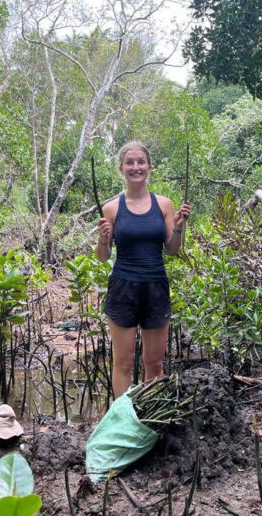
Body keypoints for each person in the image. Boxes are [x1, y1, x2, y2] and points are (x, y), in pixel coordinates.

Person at [96, 141, 191, 398]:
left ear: (149, 166)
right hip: (123, 288)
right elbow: (103, 257)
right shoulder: (111, 208)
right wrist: (104, 238)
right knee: (123, 363)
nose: (135, 167)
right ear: (121, 168)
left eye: (141, 162)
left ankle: (149, 422)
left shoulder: (164, 205)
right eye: (130, 162)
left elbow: (172, 249)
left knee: (154, 365)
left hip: (156, 288)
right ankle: (123, 422)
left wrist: (180, 226)